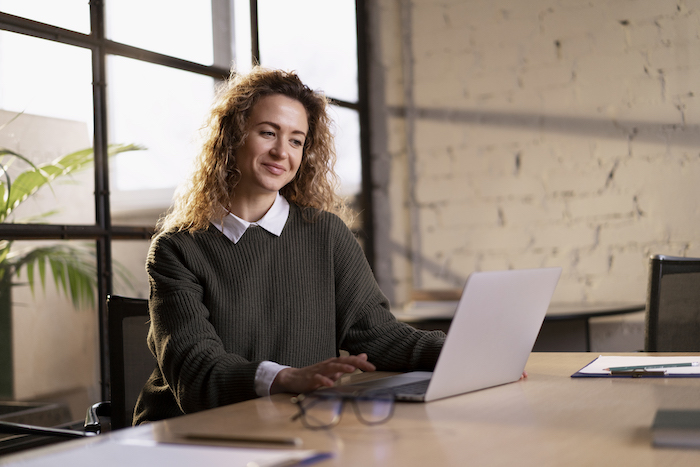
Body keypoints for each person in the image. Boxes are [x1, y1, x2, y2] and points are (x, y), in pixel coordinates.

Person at [133, 67, 446, 425]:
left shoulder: (326, 234)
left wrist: (462, 351)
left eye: (296, 140)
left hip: (295, 421)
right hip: (189, 436)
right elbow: (197, 374)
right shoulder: (177, 249)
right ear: (232, 137)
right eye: (268, 133)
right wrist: (286, 378)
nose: (282, 151)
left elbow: (379, 335)